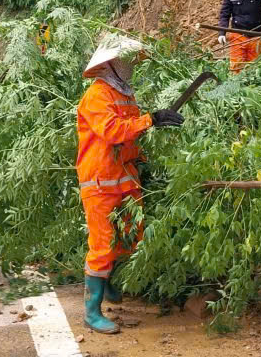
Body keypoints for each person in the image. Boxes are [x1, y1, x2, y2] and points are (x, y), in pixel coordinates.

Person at [76, 34, 184, 334]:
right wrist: (151, 119)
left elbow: (129, 136)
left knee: (129, 236)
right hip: (99, 181)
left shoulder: (124, 94)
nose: (131, 65)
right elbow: (112, 131)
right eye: (125, 60)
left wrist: (142, 154)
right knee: (102, 245)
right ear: (111, 63)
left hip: (125, 178)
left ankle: (107, 282)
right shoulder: (98, 94)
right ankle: (91, 311)